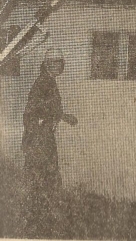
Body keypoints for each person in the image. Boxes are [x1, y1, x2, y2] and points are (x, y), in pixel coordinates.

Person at [22, 48, 77, 238]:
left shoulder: (49, 81)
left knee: (46, 177)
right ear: (47, 64)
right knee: (43, 177)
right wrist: (40, 131)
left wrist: (62, 116)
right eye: (55, 62)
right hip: (39, 138)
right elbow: (32, 110)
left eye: (60, 63)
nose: (59, 66)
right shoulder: (43, 82)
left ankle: (42, 218)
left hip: (43, 137)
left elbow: (48, 108)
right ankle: (38, 221)